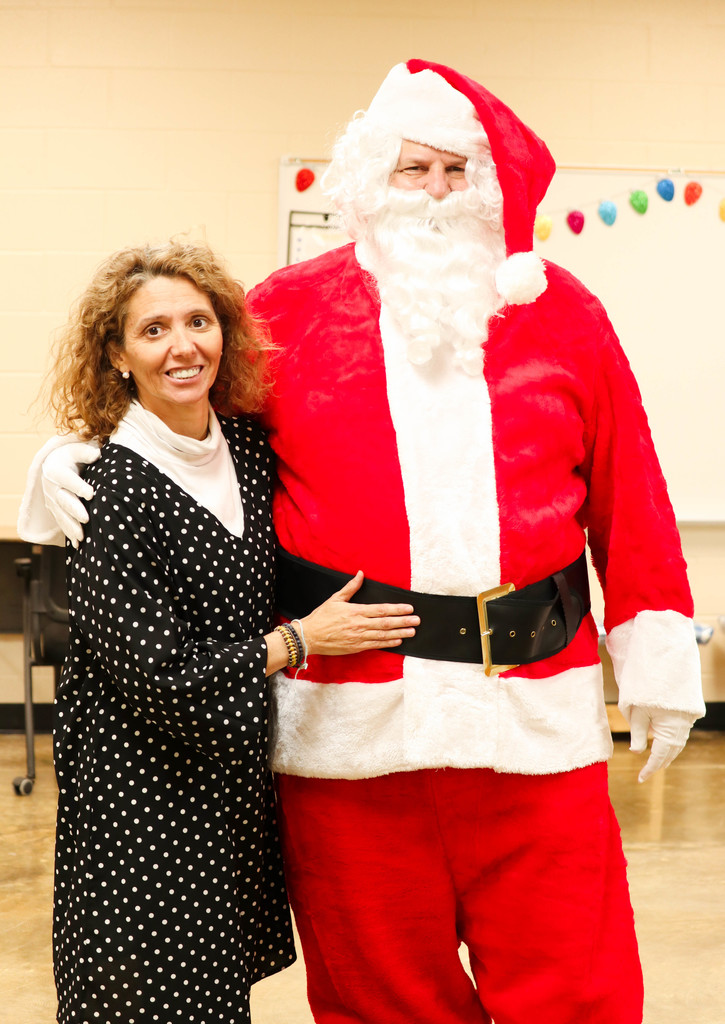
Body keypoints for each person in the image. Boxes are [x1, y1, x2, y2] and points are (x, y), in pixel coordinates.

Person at [20, 62, 706, 1024]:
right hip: (350, 729)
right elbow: (186, 413)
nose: (431, 192)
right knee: (380, 995)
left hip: (535, 722)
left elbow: (628, 489)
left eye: (454, 170)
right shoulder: (288, 311)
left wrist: (658, 655)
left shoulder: (564, 313)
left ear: (490, 183)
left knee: (576, 989)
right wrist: (79, 453)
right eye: (410, 168)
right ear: (368, 179)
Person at [23, 241, 419, 1024]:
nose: (182, 346)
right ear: (117, 353)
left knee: (213, 998)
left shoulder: (241, 447)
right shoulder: (111, 487)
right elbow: (152, 672)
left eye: (198, 321)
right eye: (153, 330)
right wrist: (301, 641)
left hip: (224, 791)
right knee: (140, 999)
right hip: (138, 798)